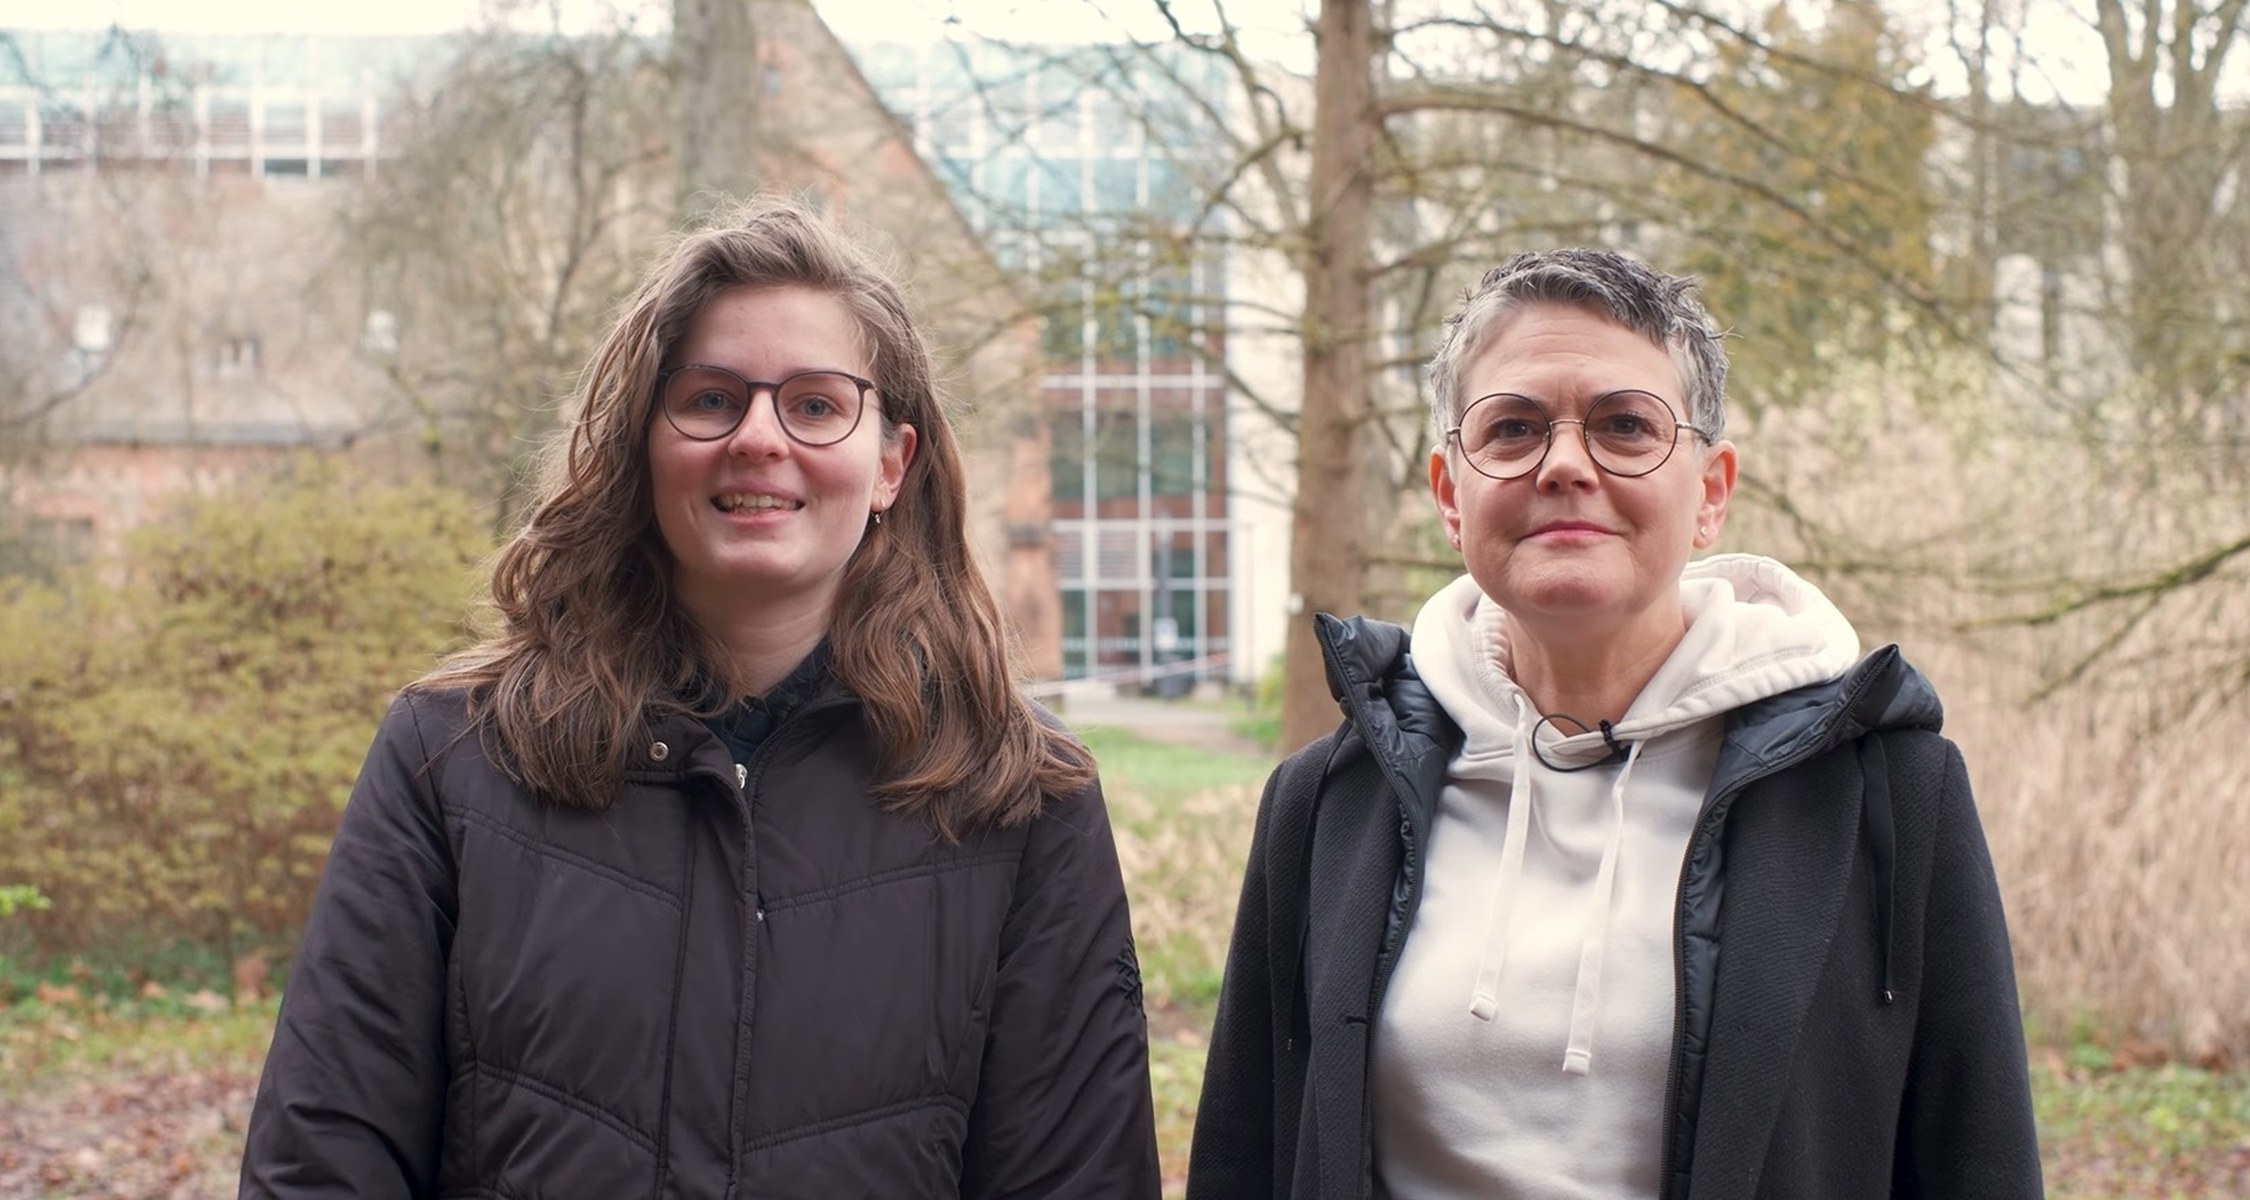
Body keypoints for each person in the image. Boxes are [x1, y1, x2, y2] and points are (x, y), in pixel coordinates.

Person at [241, 198, 1161, 1199]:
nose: (758, 437)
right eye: (712, 399)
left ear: (891, 463)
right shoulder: (450, 763)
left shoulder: (1020, 796)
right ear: (646, 442)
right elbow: (323, 1161)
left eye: (815, 405)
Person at [1187, 249, 2041, 1199]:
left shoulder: (1886, 796)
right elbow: (1247, 1152)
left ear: (1711, 492)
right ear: (1447, 493)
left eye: (1625, 426)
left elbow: (1978, 1157)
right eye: (1511, 430)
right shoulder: (1327, 802)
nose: (1562, 466)